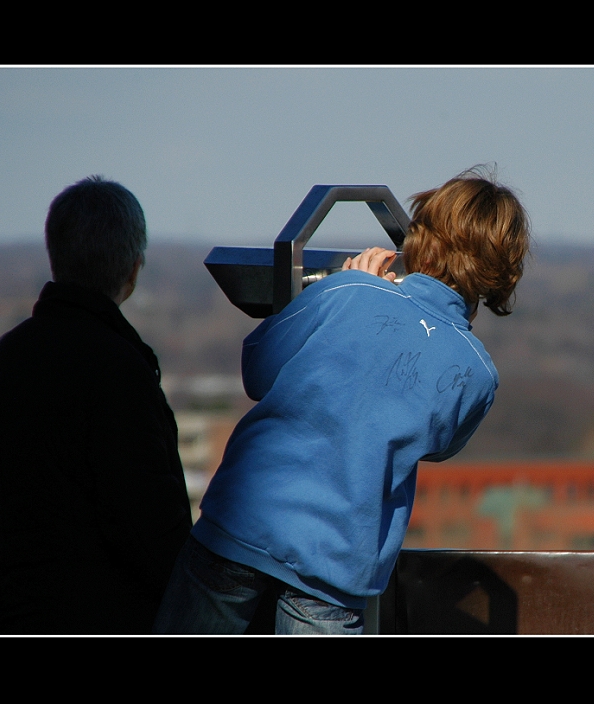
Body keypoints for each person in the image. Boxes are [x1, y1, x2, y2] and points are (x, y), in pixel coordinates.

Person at [153, 166, 531, 634]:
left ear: (423, 236)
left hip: (243, 524)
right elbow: (437, 445)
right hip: (336, 564)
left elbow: (258, 370)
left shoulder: (347, 290)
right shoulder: (477, 372)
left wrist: (358, 289)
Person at [0, 176, 193, 634]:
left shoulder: (13, 351)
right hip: (104, 615)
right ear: (133, 270)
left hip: (18, 611)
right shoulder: (119, 366)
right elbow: (147, 521)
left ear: (56, 255)